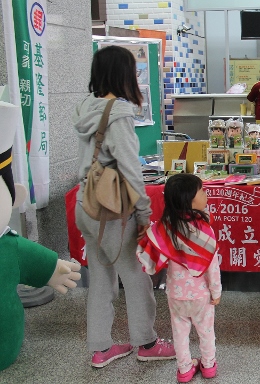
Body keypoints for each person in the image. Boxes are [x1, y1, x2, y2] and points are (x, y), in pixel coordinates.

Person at [72, 45, 175, 368]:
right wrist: (144, 213)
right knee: (136, 275)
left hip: (85, 202)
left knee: (101, 277)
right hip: (112, 210)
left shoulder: (86, 107)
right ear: (124, 74)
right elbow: (131, 170)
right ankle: (146, 342)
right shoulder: (119, 113)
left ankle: (101, 348)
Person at [137, 174, 221, 383]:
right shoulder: (204, 230)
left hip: (175, 294)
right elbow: (212, 266)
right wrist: (216, 292)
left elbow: (150, 251)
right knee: (206, 331)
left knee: (180, 334)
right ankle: (208, 365)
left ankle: (184, 370)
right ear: (188, 200)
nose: (205, 193)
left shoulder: (166, 227)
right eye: (201, 190)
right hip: (201, 295)